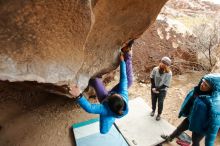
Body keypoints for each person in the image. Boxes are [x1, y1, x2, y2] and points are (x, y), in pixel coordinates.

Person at [69, 40, 134, 134]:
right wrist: (122, 62)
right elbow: (124, 79)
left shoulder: (104, 109)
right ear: (121, 97)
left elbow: (90, 108)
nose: (110, 93)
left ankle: (112, 118)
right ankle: (127, 53)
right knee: (129, 81)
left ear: (106, 102)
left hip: (107, 108)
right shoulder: (123, 94)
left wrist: (78, 96)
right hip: (115, 101)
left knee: (103, 131)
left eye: (110, 95)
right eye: (114, 94)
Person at [161, 73, 220, 146]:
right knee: (179, 129)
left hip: (200, 126)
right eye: (203, 82)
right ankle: (169, 138)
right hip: (190, 118)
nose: (202, 85)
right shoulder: (197, 91)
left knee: (195, 141)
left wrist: (209, 144)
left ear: (212, 88)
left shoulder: (215, 102)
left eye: (206, 85)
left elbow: (214, 125)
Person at [150, 56, 172, 121]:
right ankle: (153, 110)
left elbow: (165, 85)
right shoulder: (155, 69)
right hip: (154, 88)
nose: (163, 64)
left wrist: (157, 89)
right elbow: (151, 77)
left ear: (167, 65)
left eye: (165, 63)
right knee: (153, 100)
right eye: (162, 62)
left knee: (160, 103)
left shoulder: (169, 74)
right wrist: (153, 87)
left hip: (162, 90)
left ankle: (159, 114)